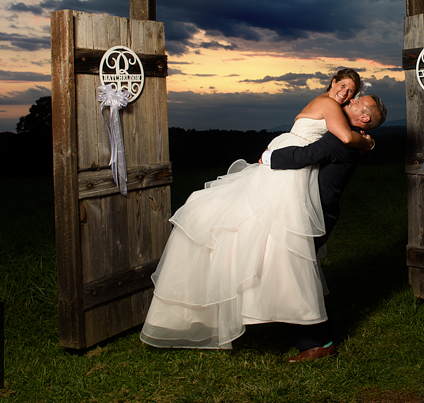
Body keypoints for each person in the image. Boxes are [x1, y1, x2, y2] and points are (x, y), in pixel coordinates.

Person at [140, 69, 373, 350]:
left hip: (294, 168)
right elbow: (345, 139)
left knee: (272, 243)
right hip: (289, 167)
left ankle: (301, 329)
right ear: (333, 82)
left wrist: (368, 139)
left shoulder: (335, 113)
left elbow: (342, 140)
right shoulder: (328, 104)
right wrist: (369, 141)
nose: (346, 95)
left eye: (353, 93)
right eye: (344, 86)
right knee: (272, 241)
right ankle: (305, 331)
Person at [262, 92, 387, 362]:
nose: (351, 100)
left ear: (364, 118)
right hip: (314, 211)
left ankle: (320, 343)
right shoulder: (351, 138)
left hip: (313, 214)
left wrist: (268, 158)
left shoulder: (342, 142)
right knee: (292, 269)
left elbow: (304, 155)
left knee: (299, 273)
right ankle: (293, 323)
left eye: (357, 102)